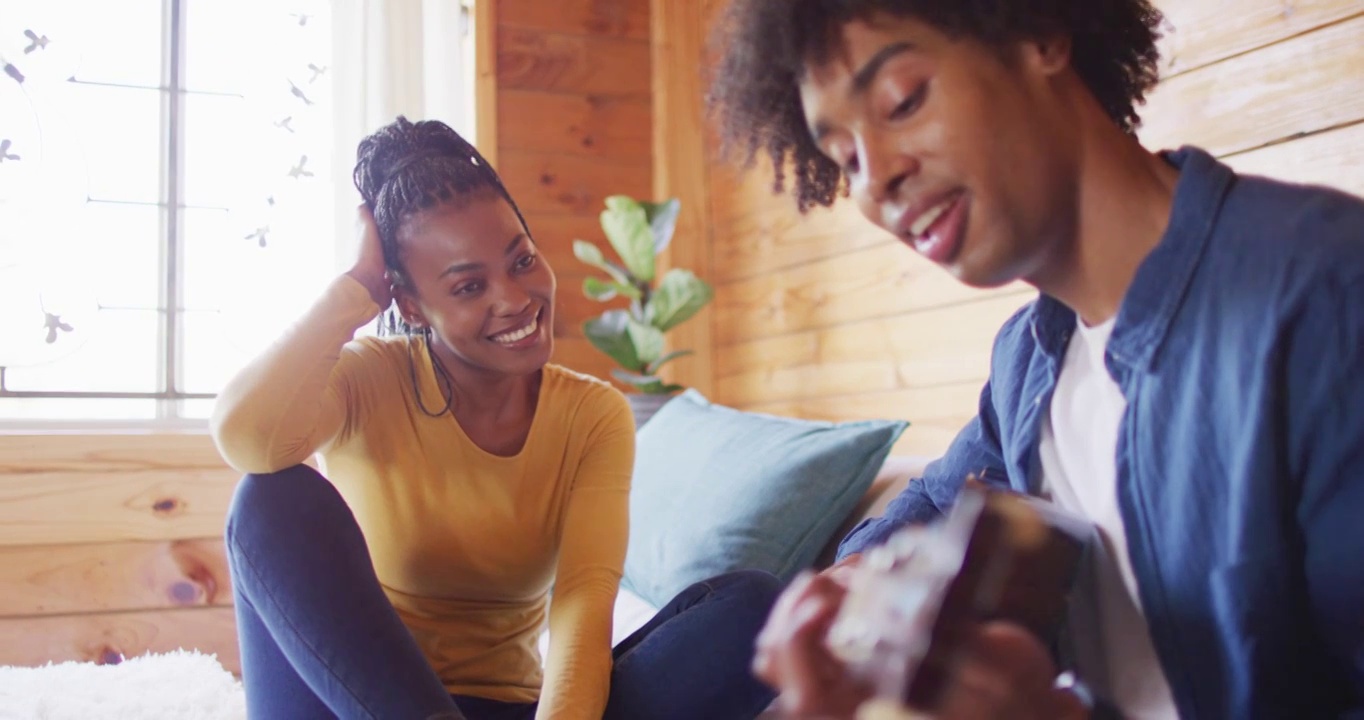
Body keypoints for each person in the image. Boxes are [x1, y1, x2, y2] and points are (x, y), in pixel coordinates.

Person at [707, 1, 1364, 718]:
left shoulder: (1329, 298)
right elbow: (934, 500)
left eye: (902, 99)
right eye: (846, 159)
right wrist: (856, 581)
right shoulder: (1029, 359)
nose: (876, 181)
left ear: (1040, 34)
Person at [211, 116, 779, 720]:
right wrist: (355, 291)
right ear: (409, 305)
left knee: (755, 607)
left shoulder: (591, 415)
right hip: (351, 705)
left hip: (503, 707)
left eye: (522, 260)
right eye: (467, 287)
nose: (513, 298)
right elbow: (246, 437)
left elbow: (583, 604)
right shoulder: (367, 376)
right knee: (269, 499)